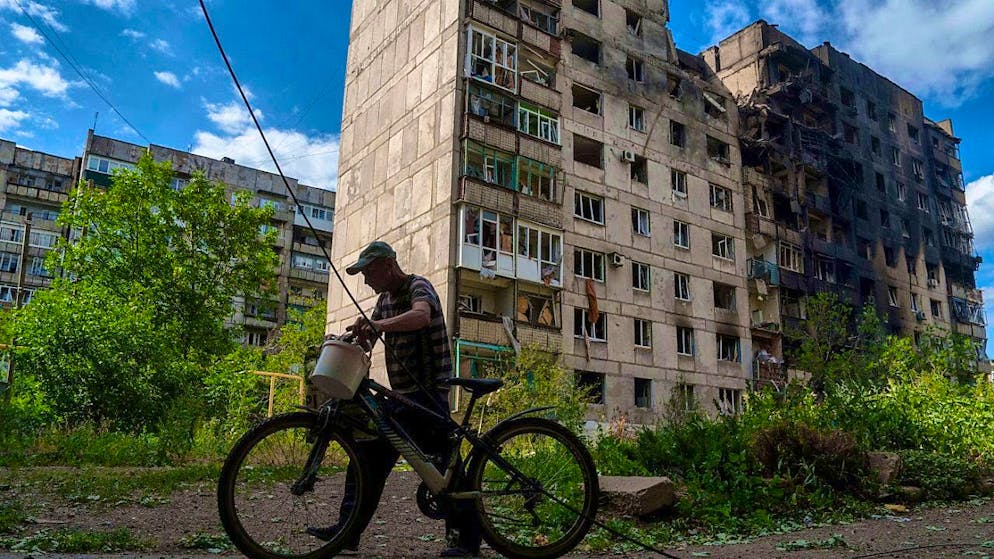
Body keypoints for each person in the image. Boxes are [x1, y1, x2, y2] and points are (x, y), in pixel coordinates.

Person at [308, 240, 481, 557]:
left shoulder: (418, 286)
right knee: (366, 459)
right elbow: (370, 334)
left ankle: (466, 544)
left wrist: (379, 324)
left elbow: (420, 317)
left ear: (387, 265)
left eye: (368, 271)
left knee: (446, 469)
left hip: (429, 394)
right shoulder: (384, 300)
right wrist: (345, 338)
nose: (366, 279)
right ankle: (347, 533)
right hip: (403, 398)